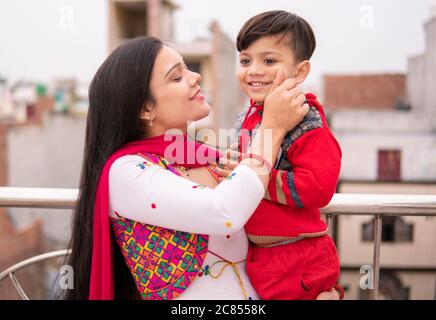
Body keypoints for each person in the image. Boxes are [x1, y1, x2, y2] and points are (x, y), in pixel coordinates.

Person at [64, 36, 314, 300]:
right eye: (176, 77)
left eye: (187, 68)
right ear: (145, 107)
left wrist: (318, 286)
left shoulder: (204, 159)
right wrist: (272, 129)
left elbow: (285, 227)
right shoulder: (126, 172)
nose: (195, 77)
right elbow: (225, 212)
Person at [216, 11, 344, 300]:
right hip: (261, 255)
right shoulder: (247, 116)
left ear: (300, 72)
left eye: (269, 61)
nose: (254, 70)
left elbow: (318, 188)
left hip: (299, 254)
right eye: (246, 60)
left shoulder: (306, 120)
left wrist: (257, 178)